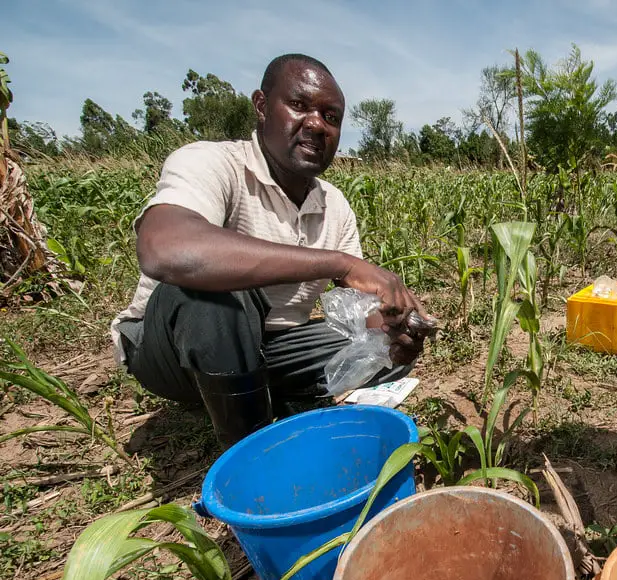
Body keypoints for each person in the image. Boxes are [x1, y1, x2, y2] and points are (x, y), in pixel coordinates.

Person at [110, 54, 429, 449]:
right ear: (261, 106)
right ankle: (252, 454)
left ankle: (256, 393)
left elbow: (359, 310)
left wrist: (390, 332)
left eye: (331, 117)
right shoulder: (213, 162)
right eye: (299, 106)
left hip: (271, 346)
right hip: (170, 353)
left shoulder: (334, 205)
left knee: (383, 352)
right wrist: (339, 263)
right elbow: (166, 249)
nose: (316, 124)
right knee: (219, 291)